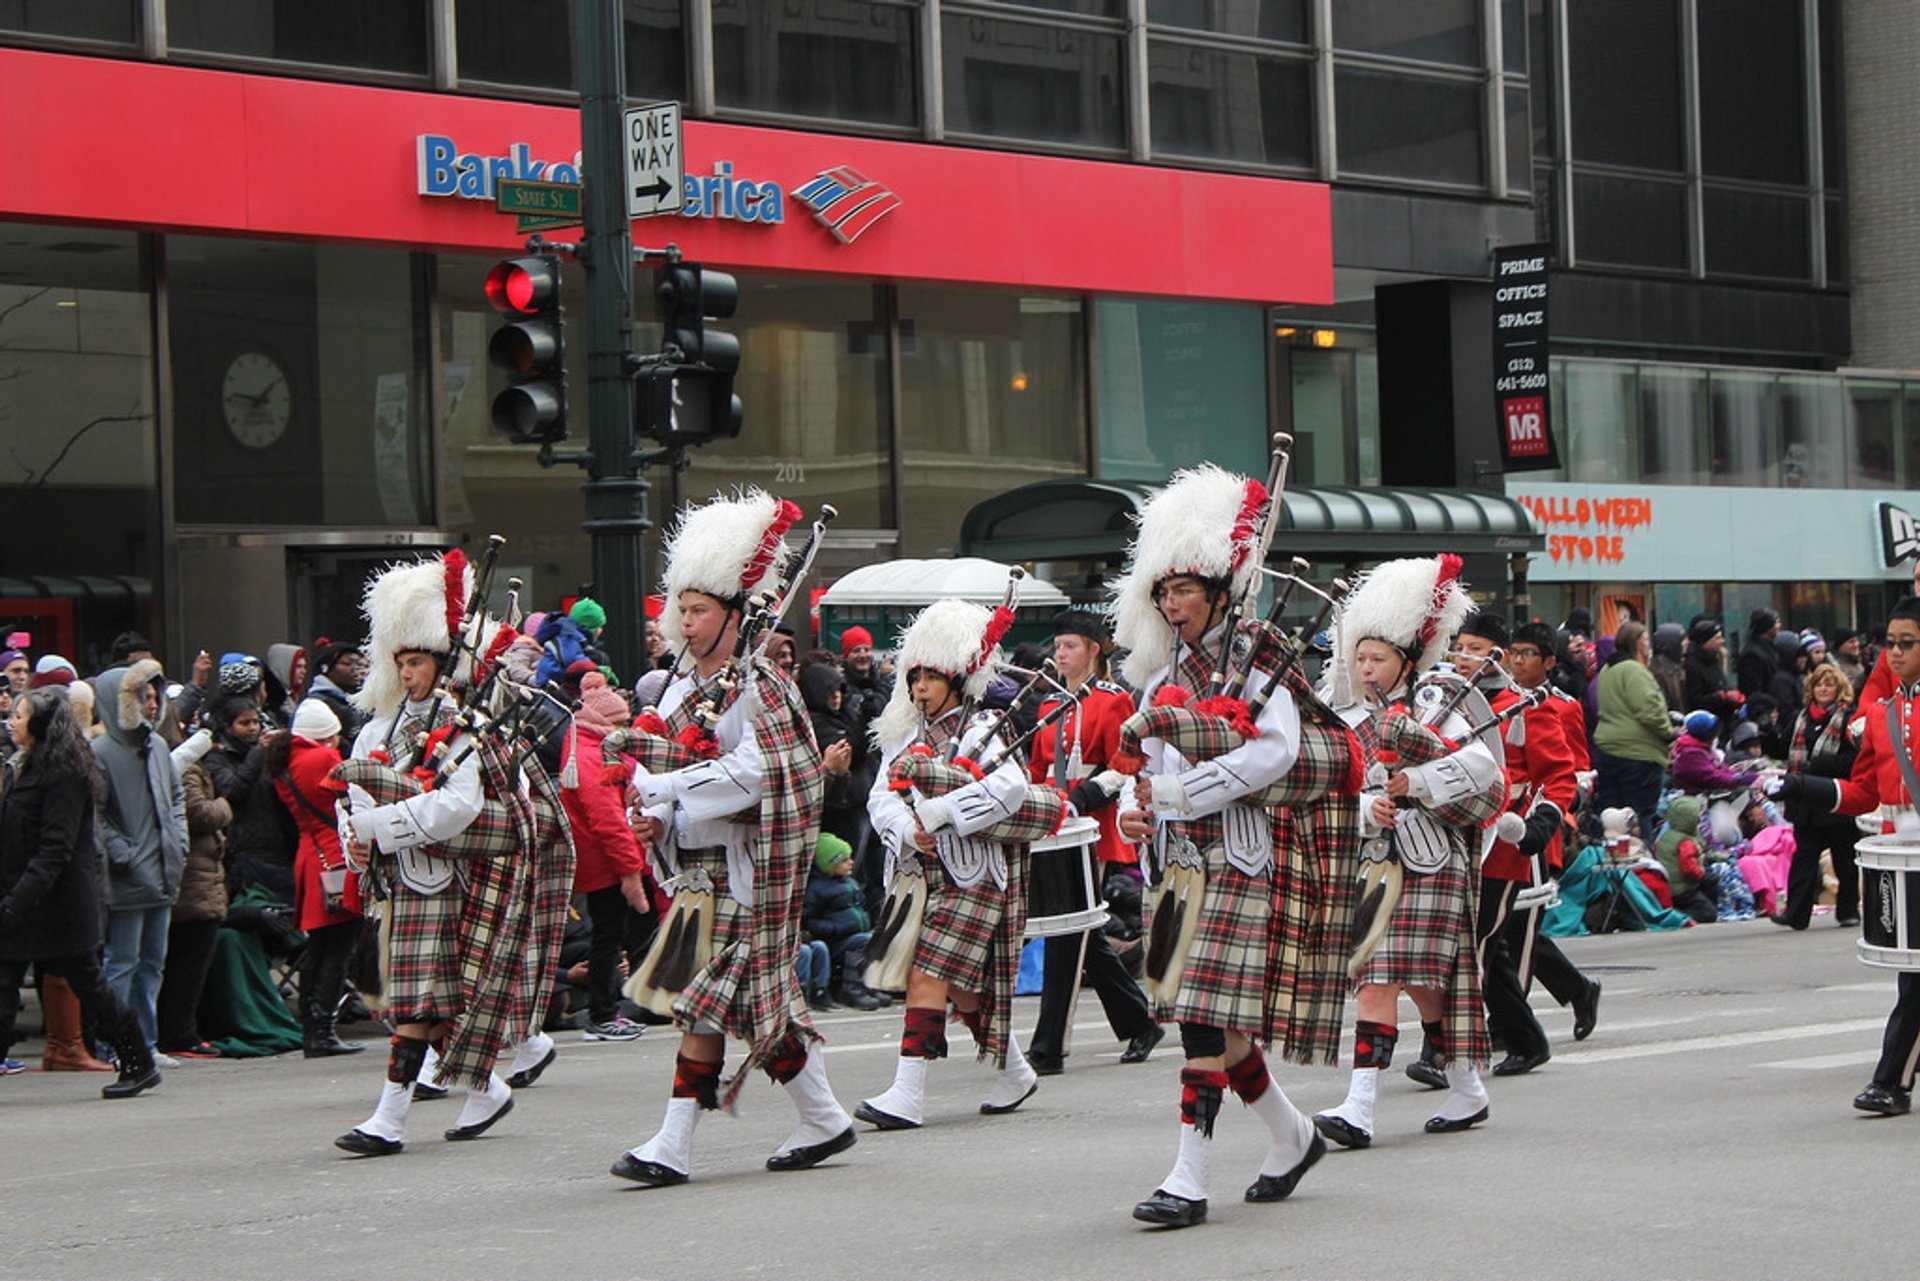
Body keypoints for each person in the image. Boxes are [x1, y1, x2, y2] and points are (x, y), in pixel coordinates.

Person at [1112, 464, 1357, 1229]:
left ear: (1221, 586)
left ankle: (1190, 1176)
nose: (1171, 603)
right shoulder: (1164, 676)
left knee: (1199, 1019)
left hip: (1243, 857)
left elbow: (1276, 752)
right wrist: (1133, 806)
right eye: (1163, 591)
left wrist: (1188, 793)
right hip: (1179, 865)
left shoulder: (1262, 652)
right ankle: (1294, 1134)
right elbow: (1142, 763)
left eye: (1183, 589)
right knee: (1218, 1019)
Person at [611, 489, 855, 1186]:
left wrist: (669, 789)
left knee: (703, 1004)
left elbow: (766, 775)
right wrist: (655, 814)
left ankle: (673, 1142)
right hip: (694, 875)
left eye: (699, 611)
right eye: (681, 609)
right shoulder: (677, 689)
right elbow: (659, 764)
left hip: (746, 873)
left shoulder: (762, 687)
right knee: (751, 1008)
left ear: (735, 614)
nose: (685, 623)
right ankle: (825, 1117)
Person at [334, 549, 570, 1156]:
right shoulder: (376, 727)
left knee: (415, 1004)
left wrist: (383, 828)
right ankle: (489, 1085)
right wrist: (355, 841)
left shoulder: (461, 723)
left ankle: (388, 1119)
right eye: (402, 662)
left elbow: (460, 806)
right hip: (394, 879)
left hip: (444, 877)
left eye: (418, 661)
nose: (408, 672)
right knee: (428, 1005)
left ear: (440, 663)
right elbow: (349, 792)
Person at [1318, 555, 1504, 1152]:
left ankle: (1361, 1107)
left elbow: (1484, 770)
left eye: (1376, 658)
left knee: (1381, 974)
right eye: (1359, 657)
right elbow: (1336, 791)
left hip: (1433, 861)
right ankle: (1468, 1084)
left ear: (1404, 656)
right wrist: (1365, 807)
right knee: (1420, 985)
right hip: (1376, 861)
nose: (1365, 668)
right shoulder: (1348, 714)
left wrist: (1417, 783)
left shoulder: (1443, 695)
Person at [856, 595, 1044, 1133]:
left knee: (927, 974)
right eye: (915, 678)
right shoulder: (904, 734)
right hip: (920, 874)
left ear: (958, 679)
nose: (919, 689)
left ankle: (907, 1095)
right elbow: (879, 798)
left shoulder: (985, 726)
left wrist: (940, 813)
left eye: (931, 679)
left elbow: (1009, 790)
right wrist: (908, 829)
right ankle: (1015, 1071)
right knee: (961, 989)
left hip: (975, 874)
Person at [1767, 596, 1920, 1116]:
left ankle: (1891, 1081)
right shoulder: (1883, 714)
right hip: (1907, 847)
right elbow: (1864, 792)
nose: (1893, 654)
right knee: (1915, 972)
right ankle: (1893, 1080)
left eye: (1906, 644)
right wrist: (1800, 785)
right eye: (1889, 645)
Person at [0, 687, 161, 1098]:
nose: (11, 721)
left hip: (58, 904)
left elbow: (56, 848)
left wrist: (15, 902)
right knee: (4, 982)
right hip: (26, 897)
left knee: (88, 982)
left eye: (19, 715)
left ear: (38, 724)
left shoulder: (64, 773)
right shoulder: (20, 767)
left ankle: (138, 1060)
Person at [1024, 607, 1160, 1076]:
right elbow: (1039, 767)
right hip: (1055, 823)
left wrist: (1082, 797)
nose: (1059, 654)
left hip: (1092, 822)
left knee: (1068, 931)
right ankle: (1140, 1021)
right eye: (1057, 646)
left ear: (1093, 650)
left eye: (1069, 646)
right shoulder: (1047, 704)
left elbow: (1125, 763)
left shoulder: (1112, 699)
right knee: (1077, 929)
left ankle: (1048, 1047)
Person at [1451, 611, 1578, 1079]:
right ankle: (1446, 1045)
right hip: (1451, 839)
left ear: (1497, 656)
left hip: (1503, 842)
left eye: (1475, 648)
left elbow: (1559, 775)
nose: (1463, 657)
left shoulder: (1525, 705)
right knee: (1456, 945)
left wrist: (1540, 823)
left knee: (1482, 943)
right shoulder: (1442, 703)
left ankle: (1521, 1037)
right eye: (1459, 646)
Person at [91, 659, 187, 1062]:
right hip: (128, 876)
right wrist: (122, 851)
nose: (151, 704)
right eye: (142, 696)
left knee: (152, 965)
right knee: (122, 964)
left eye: (153, 696)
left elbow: (176, 795)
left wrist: (178, 840)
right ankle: (115, 1043)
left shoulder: (158, 745)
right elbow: (94, 812)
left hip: (162, 872)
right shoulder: (99, 751)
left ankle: (145, 1043)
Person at [267, 698, 366, 1057]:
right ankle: (323, 1030)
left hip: (311, 858)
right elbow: (355, 793)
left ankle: (313, 1027)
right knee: (338, 946)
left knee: (320, 946)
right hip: (336, 860)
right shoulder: (323, 759)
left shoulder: (286, 761)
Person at [558, 670, 653, 1042]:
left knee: (611, 935)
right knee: (609, 936)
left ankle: (607, 1008)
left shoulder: (582, 745)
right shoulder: (592, 754)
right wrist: (630, 869)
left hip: (601, 859)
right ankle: (603, 1012)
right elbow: (608, 819)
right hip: (605, 862)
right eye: (621, 725)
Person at [154, 722, 228, 1058]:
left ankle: (179, 1031)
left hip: (198, 875)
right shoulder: (184, 769)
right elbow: (199, 814)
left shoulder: (183, 765)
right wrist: (227, 806)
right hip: (195, 878)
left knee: (188, 960)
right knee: (188, 961)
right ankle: (179, 1033)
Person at [1775, 661, 1861, 930]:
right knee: (1804, 858)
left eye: (1829, 684)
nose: (1823, 689)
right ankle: (1796, 914)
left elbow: (1854, 761)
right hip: (1805, 803)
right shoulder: (1800, 719)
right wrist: (1769, 732)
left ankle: (1848, 911)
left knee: (1844, 859)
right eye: (1819, 684)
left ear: (1839, 689)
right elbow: (1781, 750)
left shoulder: (1850, 719)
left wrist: (1819, 765)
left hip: (1835, 799)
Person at [202, 696, 297, 904]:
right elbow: (233, 790)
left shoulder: (266, 755)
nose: (253, 728)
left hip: (280, 851)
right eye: (244, 723)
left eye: (256, 722)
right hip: (245, 853)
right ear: (228, 727)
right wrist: (256, 755)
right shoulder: (217, 758)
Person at [1593, 621, 1674, 845]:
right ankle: (1641, 872)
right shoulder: (1634, 670)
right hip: (1639, 753)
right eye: (1646, 639)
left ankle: (1613, 867)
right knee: (1640, 818)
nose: (1649, 645)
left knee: (1612, 819)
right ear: (1636, 642)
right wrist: (1668, 733)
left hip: (1609, 750)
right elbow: (1650, 709)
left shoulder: (1607, 670)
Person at [802, 831, 884, 1010]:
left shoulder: (849, 883)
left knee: (876, 939)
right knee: (865, 941)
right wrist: (833, 928)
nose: (851, 862)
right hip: (835, 941)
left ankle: (869, 984)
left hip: (852, 935)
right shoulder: (816, 889)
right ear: (830, 863)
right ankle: (852, 989)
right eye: (844, 859)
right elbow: (807, 920)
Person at [1683, 618, 1744, 734]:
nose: (1722, 641)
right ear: (1705, 641)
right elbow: (1695, 700)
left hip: (1725, 723)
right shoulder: (1692, 666)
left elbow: (1721, 683)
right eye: (1717, 638)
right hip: (1707, 727)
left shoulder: (1713, 659)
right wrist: (1721, 697)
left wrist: (1732, 695)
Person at [304, 637, 368, 746]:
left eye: (358, 664)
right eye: (348, 664)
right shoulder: (318, 702)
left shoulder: (356, 699)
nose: (355, 669)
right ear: (326, 668)